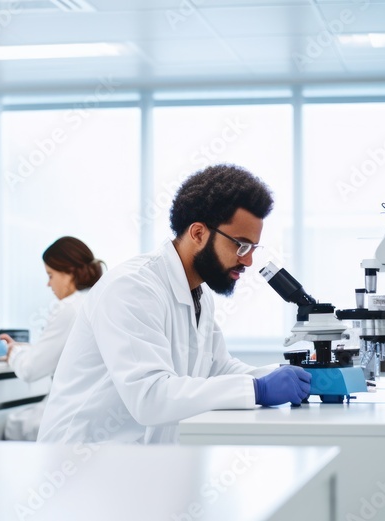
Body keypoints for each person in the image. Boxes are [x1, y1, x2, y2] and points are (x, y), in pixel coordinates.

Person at [37, 164, 311, 444]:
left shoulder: (198, 295)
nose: (248, 260)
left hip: (136, 460)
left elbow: (219, 368)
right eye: (240, 245)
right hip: (77, 461)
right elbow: (149, 396)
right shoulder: (132, 288)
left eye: (252, 248)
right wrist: (257, 390)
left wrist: (288, 375)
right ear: (198, 233)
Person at [0, 236, 104, 441]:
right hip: (95, 413)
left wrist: (13, 352)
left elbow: (30, 369)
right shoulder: (96, 298)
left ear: (68, 273)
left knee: (14, 426)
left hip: (71, 417)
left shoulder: (70, 306)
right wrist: (30, 349)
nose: (48, 284)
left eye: (50, 275)